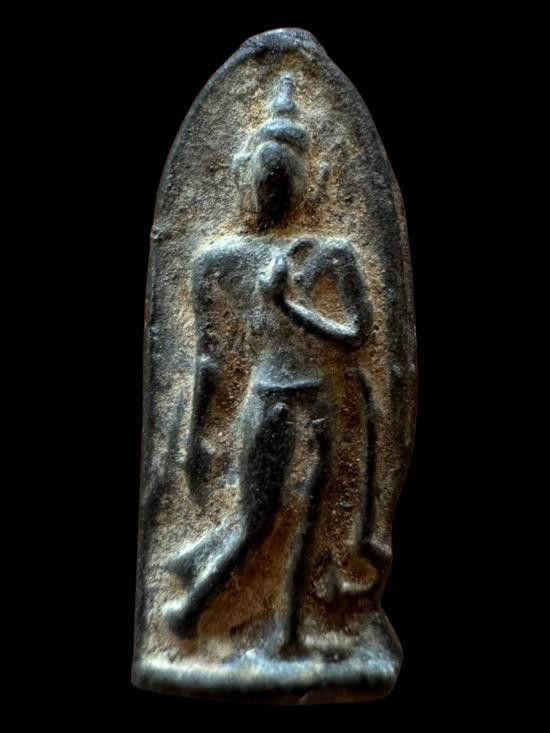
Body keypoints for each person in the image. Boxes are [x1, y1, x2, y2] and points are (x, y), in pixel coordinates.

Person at [164, 74, 373, 646]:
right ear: (245, 174)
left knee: (311, 522)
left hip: (320, 400)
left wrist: (288, 306)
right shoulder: (221, 261)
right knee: (259, 525)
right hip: (270, 399)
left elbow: (358, 337)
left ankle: (291, 634)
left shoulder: (334, 253)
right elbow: (210, 360)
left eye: (285, 173)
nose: (274, 184)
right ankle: (190, 612)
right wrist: (196, 435)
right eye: (266, 173)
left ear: (311, 179)